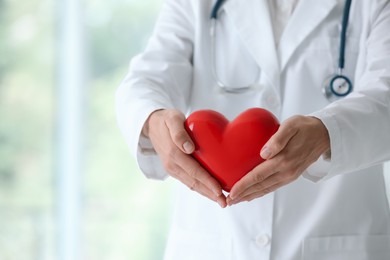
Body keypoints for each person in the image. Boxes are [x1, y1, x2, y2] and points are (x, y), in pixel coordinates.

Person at [116, 0, 390, 259]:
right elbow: (145, 79)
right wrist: (153, 119)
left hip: (339, 242)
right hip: (213, 242)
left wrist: (327, 132)